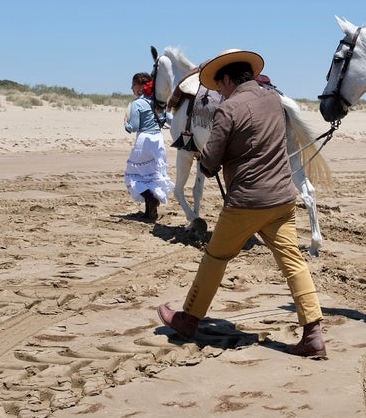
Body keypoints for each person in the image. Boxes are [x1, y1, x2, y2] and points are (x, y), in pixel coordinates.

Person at [156, 49, 327, 358]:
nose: (218, 91)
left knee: (215, 257)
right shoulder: (274, 99)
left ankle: (188, 318)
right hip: (283, 199)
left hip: (247, 202)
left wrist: (207, 163)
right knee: (293, 262)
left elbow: (209, 161)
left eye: (219, 85)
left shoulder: (228, 109)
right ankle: (313, 333)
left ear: (227, 79)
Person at [124, 71, 174, 221]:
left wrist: (125, 124)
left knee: (134, 176)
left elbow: (134, 126)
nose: (132, 89)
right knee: (152, 176)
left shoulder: (137, 103)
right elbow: (170, 120)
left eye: (133, 85)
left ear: (139, 87)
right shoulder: (159, 102)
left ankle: (151, 201)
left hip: (144, 140)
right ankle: (150, 212)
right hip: (158, 141)